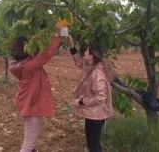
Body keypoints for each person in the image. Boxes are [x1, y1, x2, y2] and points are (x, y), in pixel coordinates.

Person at [8, 23, 62, 152]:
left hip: (26, 105)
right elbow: (44, 55)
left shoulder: (19, 64)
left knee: (30, 145)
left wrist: (48, 30)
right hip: (31, 107)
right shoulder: (29, 66)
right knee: (27, 146)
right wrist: (55, 35)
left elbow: (37, 50)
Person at [67, 35, 115, 152]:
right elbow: (78, 61)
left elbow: (100, 98)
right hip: (93, 113)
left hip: (97, 115)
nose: (84, 52)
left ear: (91, 56)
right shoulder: (89, 65)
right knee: (94, 144)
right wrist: (72, 45)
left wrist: (81, 101)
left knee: (93, 146)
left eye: (86, 51)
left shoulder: (97, 74)